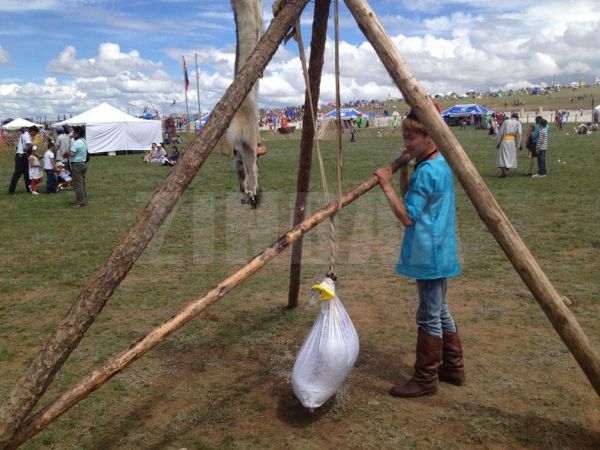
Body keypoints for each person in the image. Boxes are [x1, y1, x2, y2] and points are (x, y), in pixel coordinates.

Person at [374, 110, 464, 398]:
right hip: (438, 249)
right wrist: (402, 168)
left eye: (411, 137)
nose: (406, 143)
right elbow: (409, 196)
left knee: (428, 315)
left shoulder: (427, 172)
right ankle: (453, 367)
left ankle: (425, 378)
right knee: (440, 310)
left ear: (430, 137)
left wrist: (385, 185)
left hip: (430, 252)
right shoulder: (436, 163)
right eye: (404, 137)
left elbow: (407, 216)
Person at [63, 126, 88, 207]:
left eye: (73, 132)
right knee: (82, 183)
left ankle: (80, 202)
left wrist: (66, 153)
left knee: (78, 184)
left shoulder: (77, 142)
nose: (72, 134)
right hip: (83, 163)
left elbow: (72, 153)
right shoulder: (84, 141)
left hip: (77, 164)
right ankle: (83, 199)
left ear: (77, 134)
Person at [495, 112, 522, 178]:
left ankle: (504, 172)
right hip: (512, 142)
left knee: (502, 157)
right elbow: (519, 134)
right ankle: (505, 171)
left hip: (504, 141)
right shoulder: (518, 123)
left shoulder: (506, 122)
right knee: (509, 157)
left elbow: (500, 133)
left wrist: (498, 143)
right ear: (517, 118)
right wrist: (518, 144)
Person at [8, 127, 32, 194]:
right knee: (17, 174)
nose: (35, 134)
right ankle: (11, 190)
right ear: (32, 131)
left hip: (22, 156)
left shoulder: (24, 135)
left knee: (27, 174)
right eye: (35, 133)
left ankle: (29, 189)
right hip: (20, 157)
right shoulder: (26, 135)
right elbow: (29, 146)